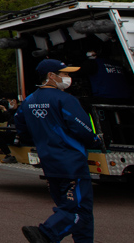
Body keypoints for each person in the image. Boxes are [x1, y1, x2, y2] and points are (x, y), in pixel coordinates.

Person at [15, 59, 102, 243]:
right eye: (65, 74)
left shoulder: (29, 100)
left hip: (49, 162)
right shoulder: (65, 99)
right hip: (71, 162)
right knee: (79, 211)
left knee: (75, 208)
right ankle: (46, 233)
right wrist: (95, 140)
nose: (68, 78)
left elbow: (21, 127)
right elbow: (82, 128)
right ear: (51, 76)